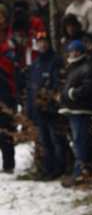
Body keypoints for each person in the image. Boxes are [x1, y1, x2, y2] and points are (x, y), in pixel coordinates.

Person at [26, 31, 66, 180]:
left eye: (45, 41)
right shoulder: (35, 64)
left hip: (52, 111)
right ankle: (48, 168)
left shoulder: (56, 61)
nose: (42, 44)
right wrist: (29, 109)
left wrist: (51, 104)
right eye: (39, 42)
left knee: (57, 141)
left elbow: (57, 85)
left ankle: (60, 169)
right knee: (45, 143)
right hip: (38, 111)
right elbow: (30, 88)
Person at [58, 40, 92, 187]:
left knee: (80, 143)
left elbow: (88, 88)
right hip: (74, 110)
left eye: (76, 50)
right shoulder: (75, 68)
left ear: (81, 52)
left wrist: (72, 94)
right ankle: (82, 172)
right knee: (79, 143)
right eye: (71, 51)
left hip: (81, 110)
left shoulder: (85, 68)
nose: (74, 53)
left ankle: (81, 174)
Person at [0, 40, 15, 173]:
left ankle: (8, 164)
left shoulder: (5, 49)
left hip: (6, 98)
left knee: (5, 132)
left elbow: (11, 66)